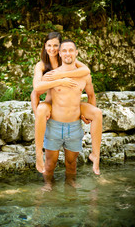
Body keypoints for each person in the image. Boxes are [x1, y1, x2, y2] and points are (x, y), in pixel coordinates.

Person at [31, 32, 102, 176]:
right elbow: (36, 91)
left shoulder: (73, 63)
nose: (53, 49)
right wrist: (59, 79)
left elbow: (87, 73)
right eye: (49, 46)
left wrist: (85, 114)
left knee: (97, 113)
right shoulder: (43, 66)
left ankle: (96, 154)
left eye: (56, 46)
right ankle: (38, 153)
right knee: (41, 109)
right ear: (45, 47)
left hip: (72, 110)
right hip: (52, 106)